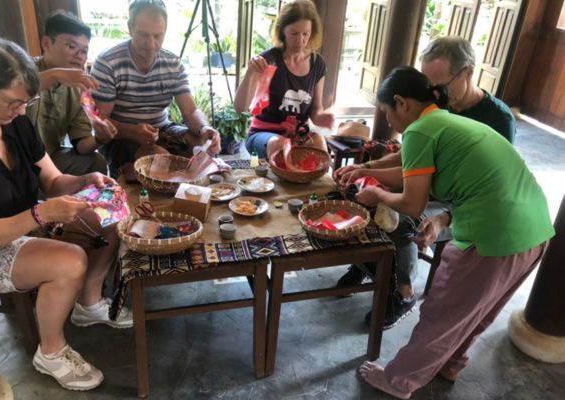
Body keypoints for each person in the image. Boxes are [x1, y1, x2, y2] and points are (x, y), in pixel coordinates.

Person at [0, 38, 133, 391]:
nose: (19, 111)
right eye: (12, 101)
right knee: (69, 260)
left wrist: (85, 180)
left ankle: (88, 302)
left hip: (24, 226)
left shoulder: (12, 121)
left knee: (111, 214)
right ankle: (51, 350)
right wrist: (43, 213)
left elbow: (53, 179)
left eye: (24, 103)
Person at [355, 66, 553, 399]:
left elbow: (412, 202)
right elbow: (408, 165)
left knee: (443, 311)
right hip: (534, 229)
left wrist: (375, 194)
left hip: (493, 234)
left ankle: (399, 381)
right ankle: (450, 363)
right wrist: (366, 168)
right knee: (480, 309)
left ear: (402, 103)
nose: (389, 122)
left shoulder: (420, 130)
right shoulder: (446, 121)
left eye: (388, 113)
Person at [333, 36, 518, 329]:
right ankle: (368, 263)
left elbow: (494, 189)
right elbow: (409, 161)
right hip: (435, 188)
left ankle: (403, 292)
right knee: (367, 197)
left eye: (439, 86)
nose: (431, 93)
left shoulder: (497, 119)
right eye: (425, 85)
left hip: (467, 207)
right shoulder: (432, 110)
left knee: (401, 217)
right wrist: (365, 168)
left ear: (469, 72)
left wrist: (444, 219)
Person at [91, 0, 221, 177]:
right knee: (158, 160)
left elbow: (190, 111)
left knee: (200, 143)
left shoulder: (173, 63)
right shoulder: (108, 62)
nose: (151, 44)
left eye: (158, 36)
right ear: (130, 28)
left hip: (162, 128)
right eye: (144, 35)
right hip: (119, 136)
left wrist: (205, 128)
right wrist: (132, 131)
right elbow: (100, 119)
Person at [233, 0, 334, 159]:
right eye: (294, 34)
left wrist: (322, 117)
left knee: (320, 144)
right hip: (264, 135)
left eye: (305, 34)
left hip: (297, 135)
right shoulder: (269, 61)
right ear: (282, 32)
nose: (300, 40)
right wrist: (250, 74)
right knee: (280, 146)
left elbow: (316, 109)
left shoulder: (317, 63)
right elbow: (240, 107)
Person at [27, 10, 118, 176]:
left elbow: (80, 145)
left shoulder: (79, 89)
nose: (79, 56)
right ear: (46, 43)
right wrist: (54, 75)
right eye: (71, 46)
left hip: (48, 159)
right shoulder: (23, 69)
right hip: (11, 160)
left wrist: (99, 137)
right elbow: (9, 91)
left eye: (84, 50)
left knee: (96, 162)